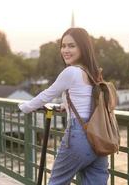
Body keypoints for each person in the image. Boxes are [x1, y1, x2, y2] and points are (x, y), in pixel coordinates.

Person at [18, 27, 109, 185]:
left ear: (83, 47)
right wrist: (66, 104)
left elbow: (47, 94)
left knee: (57, 182)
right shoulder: (93, 72)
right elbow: (86, 96)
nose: (65, 50)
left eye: (71, 46)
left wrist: (26, 107)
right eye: (63, 46)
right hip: (100, 137)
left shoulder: (71, 72)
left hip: (79, 135)